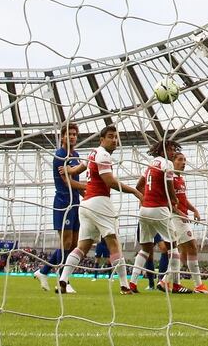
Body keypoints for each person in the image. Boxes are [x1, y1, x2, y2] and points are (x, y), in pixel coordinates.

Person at [56, 125, 142, 295]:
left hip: (86, 204)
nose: (114, 140)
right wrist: (134, 191)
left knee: (83, 246)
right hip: (99, 202)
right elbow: (109, 181)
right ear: (102, 139)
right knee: (114, 242)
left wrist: (69, 170)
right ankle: (125, 285)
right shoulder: (103, 155)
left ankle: (63, 279)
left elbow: (78, 169)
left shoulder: (93, 153)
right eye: (110, 136)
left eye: (116, 137)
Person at [128, 140, 191, 294]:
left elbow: (138, 186)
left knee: (145, 248)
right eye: (170, 150)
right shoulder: (167, 164)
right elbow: (169, 187)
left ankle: (132, 283)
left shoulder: (151, 164)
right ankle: (172, 283)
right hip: (159, 209)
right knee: (173, 246)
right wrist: (173, 199)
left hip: (144, 210)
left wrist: (147, 197)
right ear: (162, 151)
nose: (173, 153)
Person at [34, 123, 84, 293]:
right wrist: (90, 189)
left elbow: (75, 181)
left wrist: (87, 195)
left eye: (74, 134)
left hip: (75, 202)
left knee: (75, 244)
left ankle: (44, 272)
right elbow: (68, 182)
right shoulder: (60, 155)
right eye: (68, 134)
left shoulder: (75, 155)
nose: (72, 137)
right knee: (66, 243)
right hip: (63, 202)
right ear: (62, 137)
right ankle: (64, 281)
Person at [171, 152, 208, 294]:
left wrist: (194, 209)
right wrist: (180, 213)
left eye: (184, 160)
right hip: (175, 217)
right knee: (191, 247)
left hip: (182, 217)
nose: (183, 162)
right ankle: (198, 285)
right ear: (173, 161)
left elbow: (183, 199)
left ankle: (165, 280)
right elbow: (167, 201)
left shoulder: (181, 179)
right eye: (180, 159)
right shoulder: (169, 178)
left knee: (181, 252)